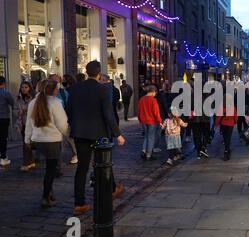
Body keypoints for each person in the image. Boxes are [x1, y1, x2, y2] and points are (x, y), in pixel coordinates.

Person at [67, 61, 125, 215]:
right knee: (104, 163)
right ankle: (111, 189)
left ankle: (79, 203)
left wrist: (73, 124)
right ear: (99, 73)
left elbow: (69, 109)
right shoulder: (103, 89)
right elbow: (108, 114)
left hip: (80, 133)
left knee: (82, 168)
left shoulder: (75, 88)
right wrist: (117, 133)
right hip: (98, 132)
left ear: (86, 72)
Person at [24, 80, 68, 208]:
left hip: (38, 140)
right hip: (52, 140)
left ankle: (49, 193)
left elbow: (28, 123)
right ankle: (46, 196)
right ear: (53, 90)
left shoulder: (33, 102)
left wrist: (27, 140)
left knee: (48, 169)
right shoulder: (55, 103)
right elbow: (62, 124)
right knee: (51, 170)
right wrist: (67, 135)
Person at [15, 81, 36, 172]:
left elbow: (36, 110)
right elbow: (14, 109)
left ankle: (29, 161)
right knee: (25, 143)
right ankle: (28, 162)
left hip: (31, 123)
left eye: (26, 87)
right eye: (22, 87)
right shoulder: (18, 98)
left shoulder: (33, 98)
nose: (24, 89)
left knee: (29, 143)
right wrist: (19, 112)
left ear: (29, 88)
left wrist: (27, 109)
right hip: (22, 123)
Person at [137, 85, 162, 161]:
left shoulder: (141, 99)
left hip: (143, 121)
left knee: (146, 136)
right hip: (152, 121)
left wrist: (140, 120)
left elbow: (138, 111)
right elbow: (156, 112)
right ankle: (149, 155)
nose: (155, 94)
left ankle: (143, 150)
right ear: (153, 91)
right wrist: (160, 121)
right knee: (151, 137)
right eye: (155, 92)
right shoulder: (153, 100)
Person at [214, 94, 238, 161]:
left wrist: (216, 125)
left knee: (225, 138)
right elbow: (235, 116)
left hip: (223, 124)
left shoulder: (221, 107)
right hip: (230, 124)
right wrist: (235, 122)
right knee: (228, 138)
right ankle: (227, 151)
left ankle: (227, 151)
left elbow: (218, 117)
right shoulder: (232, 107)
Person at [0, 76, 14, 168]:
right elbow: (12, 103)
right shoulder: (6, 93)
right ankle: (3, 157)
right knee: (3, 137)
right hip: (4, 117)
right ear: (4, 83)